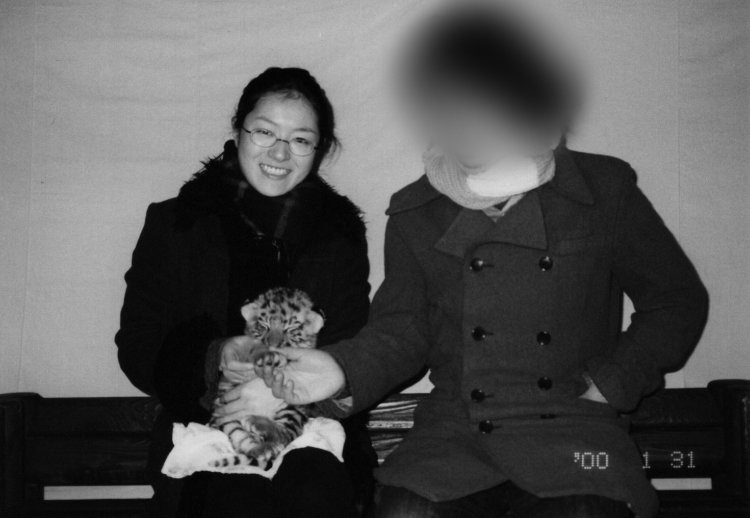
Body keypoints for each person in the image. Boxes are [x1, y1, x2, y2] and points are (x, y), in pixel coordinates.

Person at [254, 7, 709, 518]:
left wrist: (614, 383)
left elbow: (676, 301)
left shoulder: (602, 190)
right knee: (402, 512)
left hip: (578, 437)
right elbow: (402, 331)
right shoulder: (416, 211)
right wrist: (340, 369)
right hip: (455, 435)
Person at [116, 67, 376, 518]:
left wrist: (287, 392)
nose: (280, 152)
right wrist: (216, 357)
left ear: (318, 149)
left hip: (314, 439)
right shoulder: (177, 224)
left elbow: (354, 350)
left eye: (300, 139)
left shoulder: (339, 236)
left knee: (315, 496)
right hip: (204, 439)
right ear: (238, 131)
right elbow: (138, 347)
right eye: (265, 131)